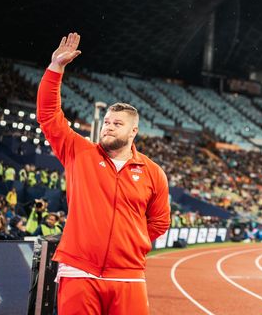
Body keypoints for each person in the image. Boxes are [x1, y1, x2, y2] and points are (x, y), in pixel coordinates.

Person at [37, 32, 170, 315]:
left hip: (128, 274)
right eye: (107, 122)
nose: (108, 126)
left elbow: (159, 221)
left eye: (117, 123)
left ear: (133, 131)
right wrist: (55, 68)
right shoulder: (79, 152)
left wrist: (132, 241)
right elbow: (49, 116)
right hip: (78, 270)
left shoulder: (153, 172)